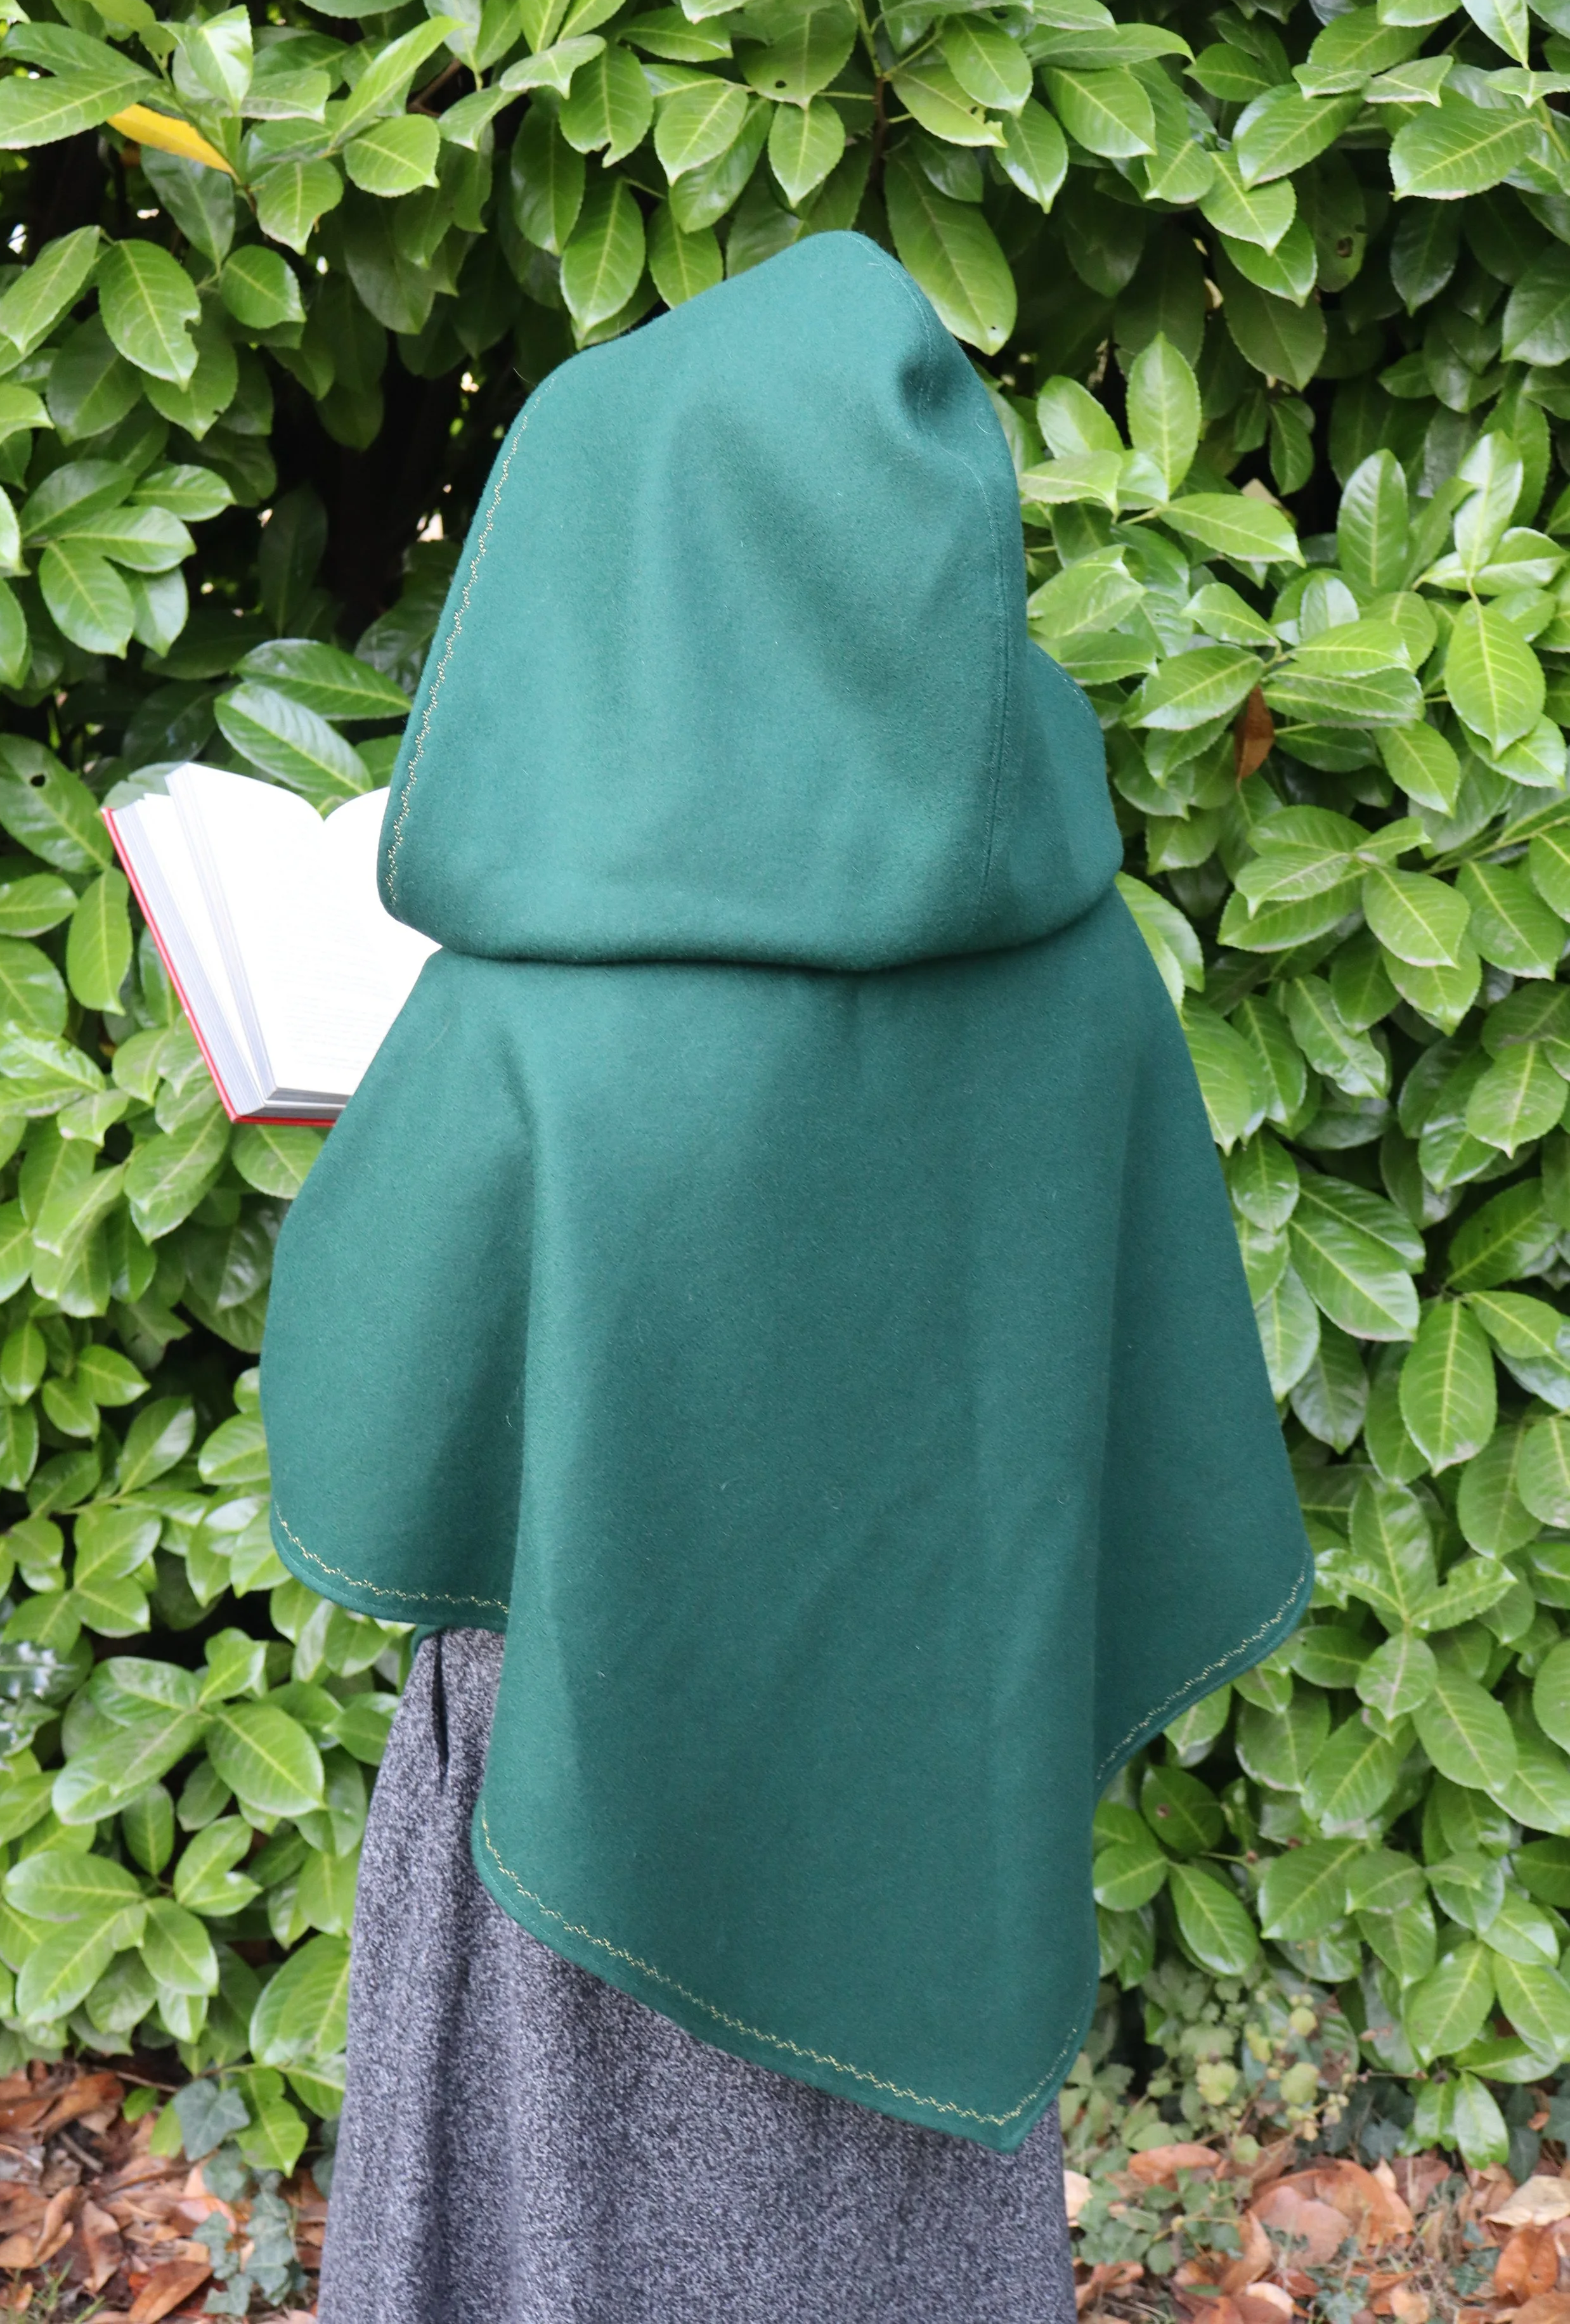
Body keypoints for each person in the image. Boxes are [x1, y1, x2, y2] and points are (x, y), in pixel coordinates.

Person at [259, 231, 1311, 2323]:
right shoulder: (1081, 963)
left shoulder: (530, 1013)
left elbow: (374, 1432)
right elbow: (1132, 1385)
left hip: (582, 1757)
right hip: (947, 1750)